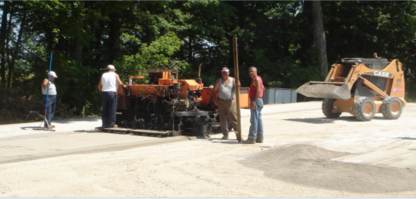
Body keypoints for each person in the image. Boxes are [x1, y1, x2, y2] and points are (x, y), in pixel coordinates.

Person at [212, 67, 241, 141]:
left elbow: (238, 89)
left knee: (234, 118)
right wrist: (215, 100)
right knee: (222, 119)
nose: (224, 74)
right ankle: (225, 134)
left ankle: (238, 135)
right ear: (221, 73)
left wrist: (238, 85)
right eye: (223, 72)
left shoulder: (233, 80)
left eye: (226, 72)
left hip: (230, 102)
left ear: (229, 73)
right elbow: (214, 91)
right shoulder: (219, 81)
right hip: (221, 101)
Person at [243, 66, 264, 144]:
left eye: (252, 71)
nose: (250, 73)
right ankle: (260, 138)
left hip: (256, 100)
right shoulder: (258, 79)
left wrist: (254, 102)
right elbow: (263, 88)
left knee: (254, 120)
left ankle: (251, 138)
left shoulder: (256, 79)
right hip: (259, 100)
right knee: (258, 119)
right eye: (249, 72)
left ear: (256, 71)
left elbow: (258, 90)